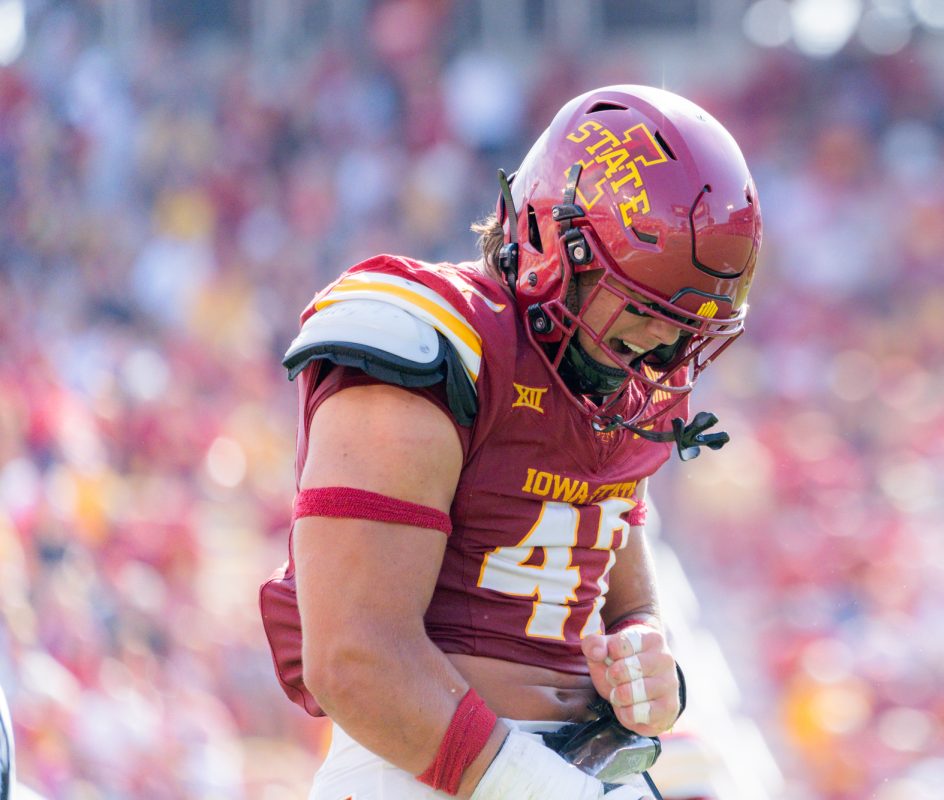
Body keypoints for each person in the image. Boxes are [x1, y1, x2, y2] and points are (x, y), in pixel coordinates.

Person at [260, 84, 761, 799]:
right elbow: (353, 657)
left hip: (587, 764)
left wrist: (650, 661)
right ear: (560, 246)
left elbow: (620, 588)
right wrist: (537, 788)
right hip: (431, 771)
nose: (663, 349)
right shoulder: (425, 338)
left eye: (688, 330)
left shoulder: (612, 383)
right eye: (646, 311)